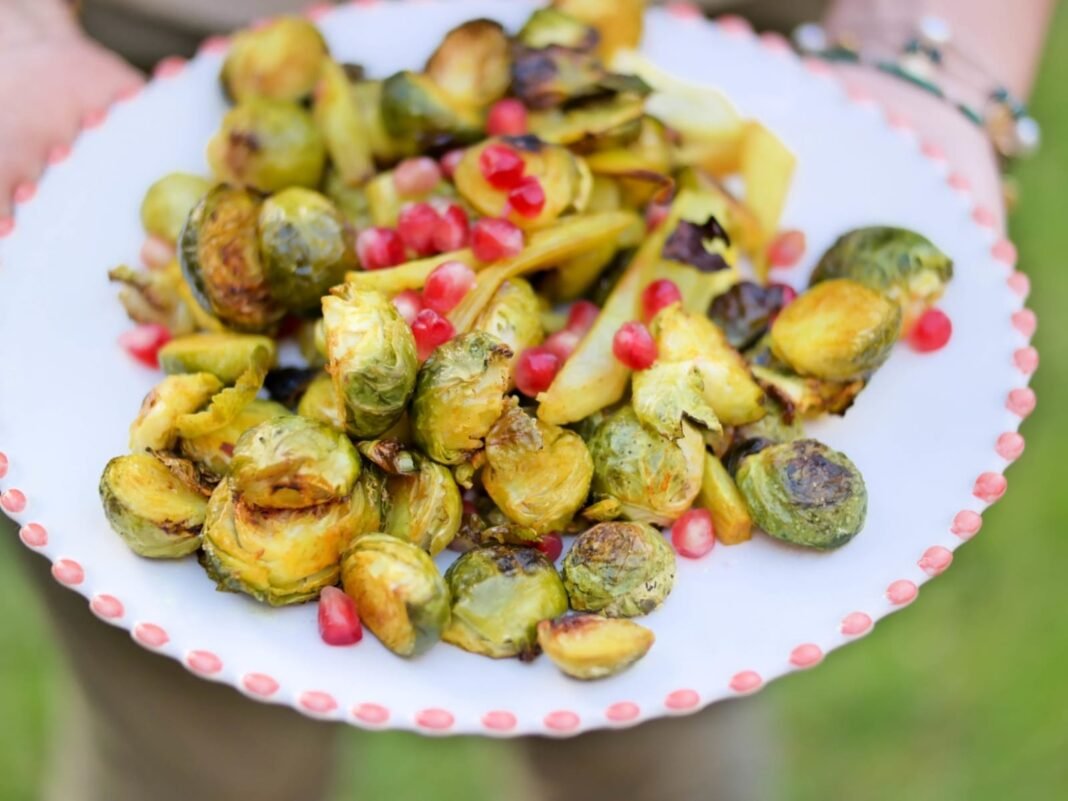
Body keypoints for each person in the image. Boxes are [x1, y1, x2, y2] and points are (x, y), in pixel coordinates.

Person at [0, 1, 1051, 799]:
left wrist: (937, 52)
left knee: (670, 762)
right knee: (190, 766)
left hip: (706, 49)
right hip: (148, 59)